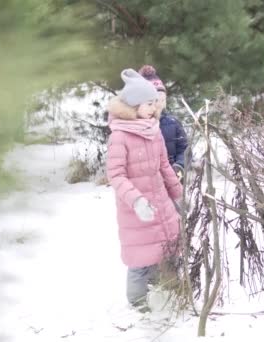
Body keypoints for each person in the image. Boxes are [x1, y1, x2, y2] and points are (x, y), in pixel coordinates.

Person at [106, 68, 183, 311]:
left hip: (160, 200)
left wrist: (178, 194)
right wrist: (137, 202)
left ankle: (167, 286)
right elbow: (116, 175)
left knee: (167, 247)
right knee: (140, 257)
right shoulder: (119, 136)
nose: (154, 107)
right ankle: (137, 302)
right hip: (136, 208)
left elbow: (164, 166)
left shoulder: (154, 130)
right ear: (135, 105)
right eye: (149, 103)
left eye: (155, 102)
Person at [137, 65, 188, 182]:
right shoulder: (135, 126)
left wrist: (179, 166)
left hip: (173, 180)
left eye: (163, 99)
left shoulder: (173, 123)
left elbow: (185, 149)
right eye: (156, 99)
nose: (159, 103)